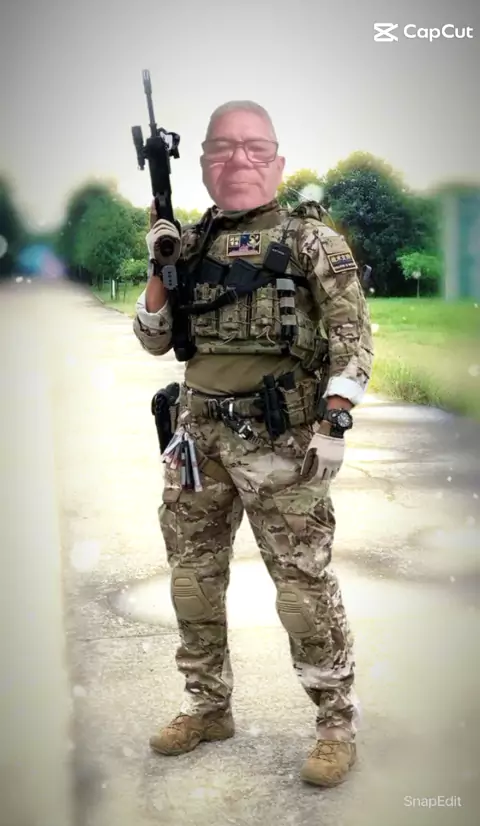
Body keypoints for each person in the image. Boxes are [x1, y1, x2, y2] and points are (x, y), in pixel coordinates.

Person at [132, 100, 374, 787]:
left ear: (278, 163)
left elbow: (352, 338)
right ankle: (208, 707)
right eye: (222, 149)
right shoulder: (187, 244)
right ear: (204, 164)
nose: (238, 160)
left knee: (302, 590)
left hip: (282, 441)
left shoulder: (311, 242)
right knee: (192, 582)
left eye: (254, 148)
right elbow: (153, 340)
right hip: (196, 439)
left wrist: (334, 422)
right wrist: (158, 265)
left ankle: (334, 725)